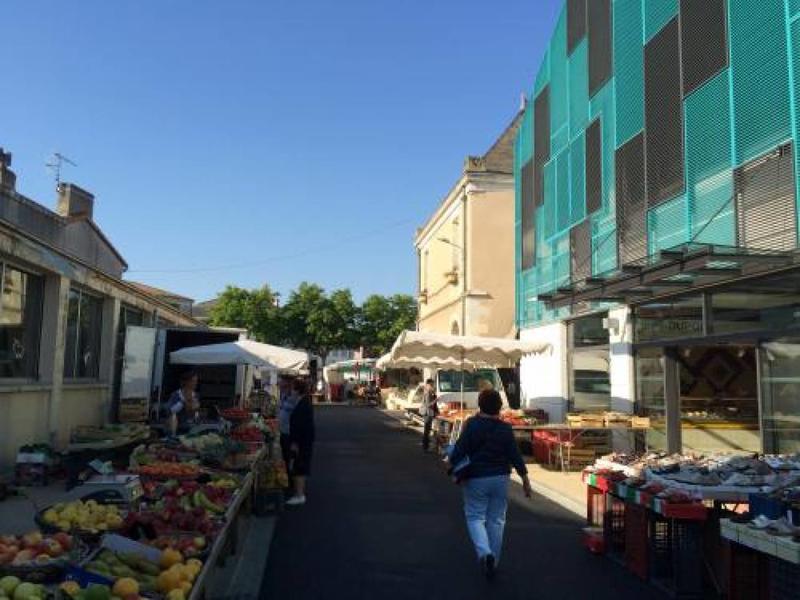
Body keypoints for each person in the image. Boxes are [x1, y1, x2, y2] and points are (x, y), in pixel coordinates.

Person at [449, 389, 533, 581]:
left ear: (480, 404)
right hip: (501, 478)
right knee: (496, 520)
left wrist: (452, 463)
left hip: (476, 477)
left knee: (475, 517)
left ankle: (484, 552)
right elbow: (515, 455)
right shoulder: (505, 429)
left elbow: (460, 450)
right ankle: (493, 561)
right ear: (499, 407)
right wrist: (525, 480)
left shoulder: (472, 425)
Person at [279, 378, 316, 506]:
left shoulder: (303, 404)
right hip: (303, 440)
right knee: (299, 465)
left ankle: (299, 495)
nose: (291, 390)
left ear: (297, 390)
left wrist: (295, 443)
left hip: (301, 441)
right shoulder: (302, 401)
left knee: (298, 466)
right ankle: (299, 492)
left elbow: (301, 426)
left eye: (293, 388)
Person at [167, 371, 200, 436]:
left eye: (196, 381)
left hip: (190, 427)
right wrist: (183, 401)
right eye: (193, 381)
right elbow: (172, 410)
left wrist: (196, 414)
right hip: (176, 427)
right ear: (186, 382)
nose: (195, 383)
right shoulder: (176, 394)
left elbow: (195, 412)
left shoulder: (195, 395)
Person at [420, 378, 438, 452]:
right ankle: (425, 447)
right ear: (428, 385)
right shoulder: (427, 392)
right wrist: (436, 400)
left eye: (433, 384)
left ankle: (426, 446)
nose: (432, 386)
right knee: (427, 430)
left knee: (427, 430)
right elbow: (428, 405)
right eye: (431, 384)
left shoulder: (429, 392)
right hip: (427, 413)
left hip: (428, 412)